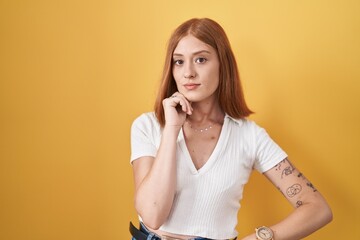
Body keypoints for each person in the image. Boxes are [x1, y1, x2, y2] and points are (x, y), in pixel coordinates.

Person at [129, 18, 332, 240]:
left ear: (222, 64)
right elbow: (152, 215)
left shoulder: (249, 136)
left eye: (200, 59)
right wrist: (171, 130)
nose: (188, 72)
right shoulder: (147, 126)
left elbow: (318, 209)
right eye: (179, 62)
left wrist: (261, 237)